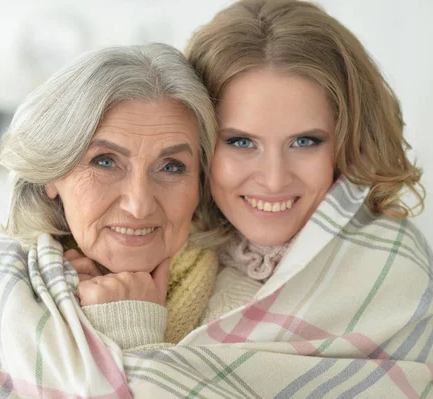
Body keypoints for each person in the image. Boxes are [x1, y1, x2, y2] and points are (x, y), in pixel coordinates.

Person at [69, 0, 433, 397]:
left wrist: (132, 335)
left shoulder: (388, 272)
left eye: (305, 141)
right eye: (241, 141)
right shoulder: (160, 244)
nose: (274, 179)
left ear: (349, 141)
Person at [0, 43, 220, 398]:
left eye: (171, 167)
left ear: (201, 182)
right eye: (105, 161)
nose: (139, 205)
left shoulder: (242, 294)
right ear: (53, 174)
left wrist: (132, 330)